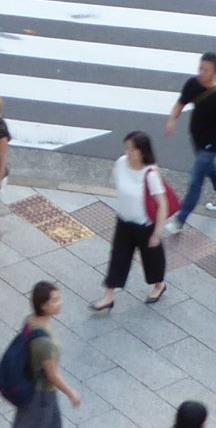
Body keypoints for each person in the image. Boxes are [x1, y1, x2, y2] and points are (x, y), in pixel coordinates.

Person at [92, 132, 171, 310]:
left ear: (142, 152)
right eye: (126, 148)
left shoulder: (150, 174)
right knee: (118, 258)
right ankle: (108, 296)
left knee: (152, 260)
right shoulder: (121, 163)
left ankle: (159, 284)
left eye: (132, 149)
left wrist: (158, 233)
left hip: (145, 226)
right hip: (124, 221)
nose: (128, 152)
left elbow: (162, 204)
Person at [165, 54, 216, 230]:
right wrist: (172, 119)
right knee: (209, 167)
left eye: (206, 70)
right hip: (196, 137)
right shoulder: (193, 84)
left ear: (215, 72)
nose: (201, 73)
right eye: (200, 68)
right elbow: (181, 102)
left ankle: (180, 220)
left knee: (196, 180)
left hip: (212, 143)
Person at [10, 281, 83, 427]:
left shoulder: (30, 321)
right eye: (55, 300)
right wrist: (71, 393)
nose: (60, 303)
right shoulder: (45, 344)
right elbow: (52, 375)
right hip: (41, 396)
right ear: (43, 305)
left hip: (30, 386)